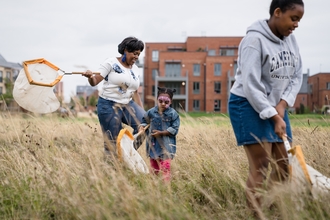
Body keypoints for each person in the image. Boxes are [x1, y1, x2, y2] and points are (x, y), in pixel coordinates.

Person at [228, 0, 304, 215]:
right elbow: (251, 85)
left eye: (299, 20)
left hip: (276, 107)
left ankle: (267, 206)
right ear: (277, 12)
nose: (296, 24)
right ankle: (256, 215)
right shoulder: (254, 40)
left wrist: (282, 104)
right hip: (247, 103)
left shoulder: (291, 40)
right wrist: (273, 115)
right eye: (294, 18)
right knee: (261, 165)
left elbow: (297, 75)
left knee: (284, 166)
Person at [82, 36, 145, 158]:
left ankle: (128, 155)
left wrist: (143, 113)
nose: (136, 57)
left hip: (128, 104)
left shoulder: (136, 69)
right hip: (108, 105)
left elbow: (135, 91)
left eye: (138, 54)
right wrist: (90, 77)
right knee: (111, 143)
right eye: (134, 53)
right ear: (125, 50)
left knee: (145, 125)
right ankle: (110, 171)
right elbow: (95, 81)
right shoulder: (110, 63)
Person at [138, 87, 180, 182]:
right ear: (157, 100)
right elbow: (145, 121)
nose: (163, 104)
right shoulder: (151, 112)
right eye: (160, 101)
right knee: (154, 169)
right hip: (153, 146)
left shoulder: (173, 114)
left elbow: (175, 129)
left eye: (166, 102)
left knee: (166, 167)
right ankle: (154, 186)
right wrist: (142, 127)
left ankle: (166, 187)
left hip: (166, 146)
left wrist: (161, 133)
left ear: (171, 102)